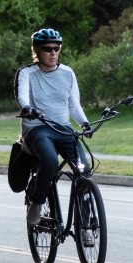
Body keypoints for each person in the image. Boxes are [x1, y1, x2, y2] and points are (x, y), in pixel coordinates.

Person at [15, 28, 91, 226]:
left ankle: (85, 221)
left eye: (57, 48)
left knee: (83, 169)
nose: (53, 53)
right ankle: (37, 203)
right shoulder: (26, 73)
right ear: (37, 51)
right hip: (37, 129)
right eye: (48, 49)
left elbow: (73, 104)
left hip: (63, 129)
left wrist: (84, 122)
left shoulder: (67, 73)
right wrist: (28, 108)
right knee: (49, 161)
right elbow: (21, 96)